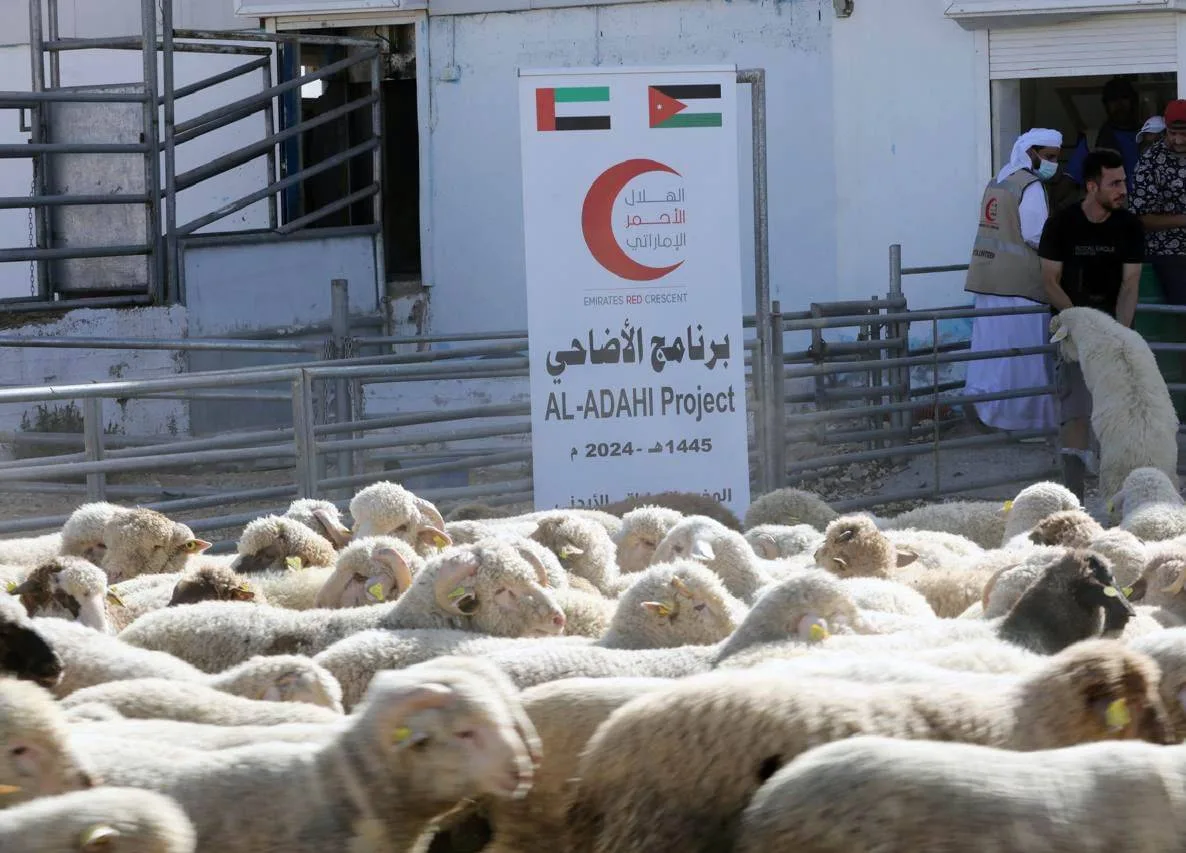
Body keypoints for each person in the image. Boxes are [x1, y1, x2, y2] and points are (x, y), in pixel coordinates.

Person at [1038, 148, 1145, 500]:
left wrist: (1121, 335)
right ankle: (1073, 497)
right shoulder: (1061, 223)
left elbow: (1130, 283)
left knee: (1118, 411)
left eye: (1124, 181)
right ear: (1091, 186)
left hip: (1113, 327)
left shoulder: (1128, 226)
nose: (1123, 190)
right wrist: (1081, 325)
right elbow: (1049, 280)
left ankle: (1118, 495)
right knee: (1077, 410)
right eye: (1114, 183)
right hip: (1071, 327)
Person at [962, 128, 1063, 434]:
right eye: (1048, 157)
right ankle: (1024, 422)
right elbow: (1037, 235)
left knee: (992, 355)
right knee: (1022, 358)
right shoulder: (1029, 186)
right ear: (1030, 153)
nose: (1052, 164)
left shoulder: (999, 181)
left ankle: (987, 412)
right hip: (1019, 286)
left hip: (987, 279)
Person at [1131, 100, 1186, 306]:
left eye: (1184, 133)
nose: (1178, 140)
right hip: (1171, 254)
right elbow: (1140, 219)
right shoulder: (1151, 161)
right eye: (1173, 133)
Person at [1066, 76, 1142, 193]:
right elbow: (1069, 179)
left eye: (1124, 98)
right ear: (1105, 105)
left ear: (1134, 101)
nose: (1119, 104)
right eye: (1113, 99)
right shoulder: (1092, 139)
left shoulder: (1150, 136)